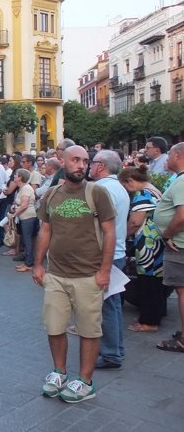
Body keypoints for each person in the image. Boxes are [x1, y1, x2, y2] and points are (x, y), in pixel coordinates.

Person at [33, 145, 117, 403]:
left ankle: (85, 381)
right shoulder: (51, 194)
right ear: (63, 162)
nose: (81, 165)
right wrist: (37, 264)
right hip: (56, 274)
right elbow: (45, 230)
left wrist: (104, 271)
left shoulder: (97, 193)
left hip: (88, 275)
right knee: (55, 326)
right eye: (75, 160)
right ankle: (59, 372)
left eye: (85, 161)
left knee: (89, 330)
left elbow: (111, 232)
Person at [90, 150, 130, 370]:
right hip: (115, 253)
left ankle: (111, 353)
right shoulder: (118, 187)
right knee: (112, 305)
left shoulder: (102, 188)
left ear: (100, 166)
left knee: (106, 306)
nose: (88, 166)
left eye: (91, 162)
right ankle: (116, 349)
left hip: (106, 255)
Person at [118, 165, 167, 332]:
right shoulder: (154, 190)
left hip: (148, 243)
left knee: (148, 282)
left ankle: (149, 321)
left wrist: (121, 236)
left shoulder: (142, 194)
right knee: (156, 281)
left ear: (130, 181)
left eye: (125, 186)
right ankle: (156, 314)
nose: (126, 190)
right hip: (157, 242)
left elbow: (135, 222)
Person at [153, 142, 184, 354]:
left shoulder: (182, 182)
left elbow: (182, 215)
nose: (167, 159)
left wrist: (167, 234)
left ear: (178, 155)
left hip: (178, 246)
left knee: (182, 291)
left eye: (170, 154)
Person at [9, 168, 38, 273]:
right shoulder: (23, 188)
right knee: (27, 240)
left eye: (16, 175)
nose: (14, 176)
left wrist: (14, 215)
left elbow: (25, 204)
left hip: (28, 217)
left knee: (27, 240)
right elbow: (21, 202)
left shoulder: (25, 188)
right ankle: (27, 261)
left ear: (20, 177)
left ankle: (29, 264)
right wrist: (14, 206)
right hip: (25, 217)